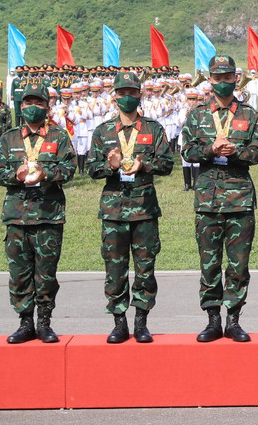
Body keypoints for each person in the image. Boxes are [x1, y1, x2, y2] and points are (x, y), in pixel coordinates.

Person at [181, 55, 258, 343]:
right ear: (210, 80)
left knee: (239, 266)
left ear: (235, 79)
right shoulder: (198, 114)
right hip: (208, 201)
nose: (222, 82)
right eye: (217, 78)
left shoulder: (249, 115)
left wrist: (236, 152)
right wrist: (210, 150)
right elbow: (187, 151)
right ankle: (213, 320)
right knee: (210, 264)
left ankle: (233, 320)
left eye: (227, 77)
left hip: (240, 200)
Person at [86, 71, 174, 343]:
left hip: (144, 209)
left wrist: (144, 165)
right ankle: (119, 323)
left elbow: (167, 164)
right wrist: (110, 166)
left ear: (140, 95)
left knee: (145, 268)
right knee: (115, 268)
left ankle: (141, 322)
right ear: (115, 96)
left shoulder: (153, 129)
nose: (127, 97)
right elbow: (91, 168)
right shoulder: (103, 131)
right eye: (122, 93)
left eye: (132, 93)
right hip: (113, 211)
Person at [0, 82, 76, 343]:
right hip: (16, 217)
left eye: (38, 103)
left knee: (46, 275)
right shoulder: (8, 138)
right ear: (21, 106)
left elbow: (69, 169)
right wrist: (16, 176)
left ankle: (44, 323)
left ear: (47, 107)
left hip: (47, 216)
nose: (32, 107)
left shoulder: (59, 137)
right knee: (19, 275)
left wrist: (46, 174)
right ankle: (25, 323)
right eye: (28, 103)